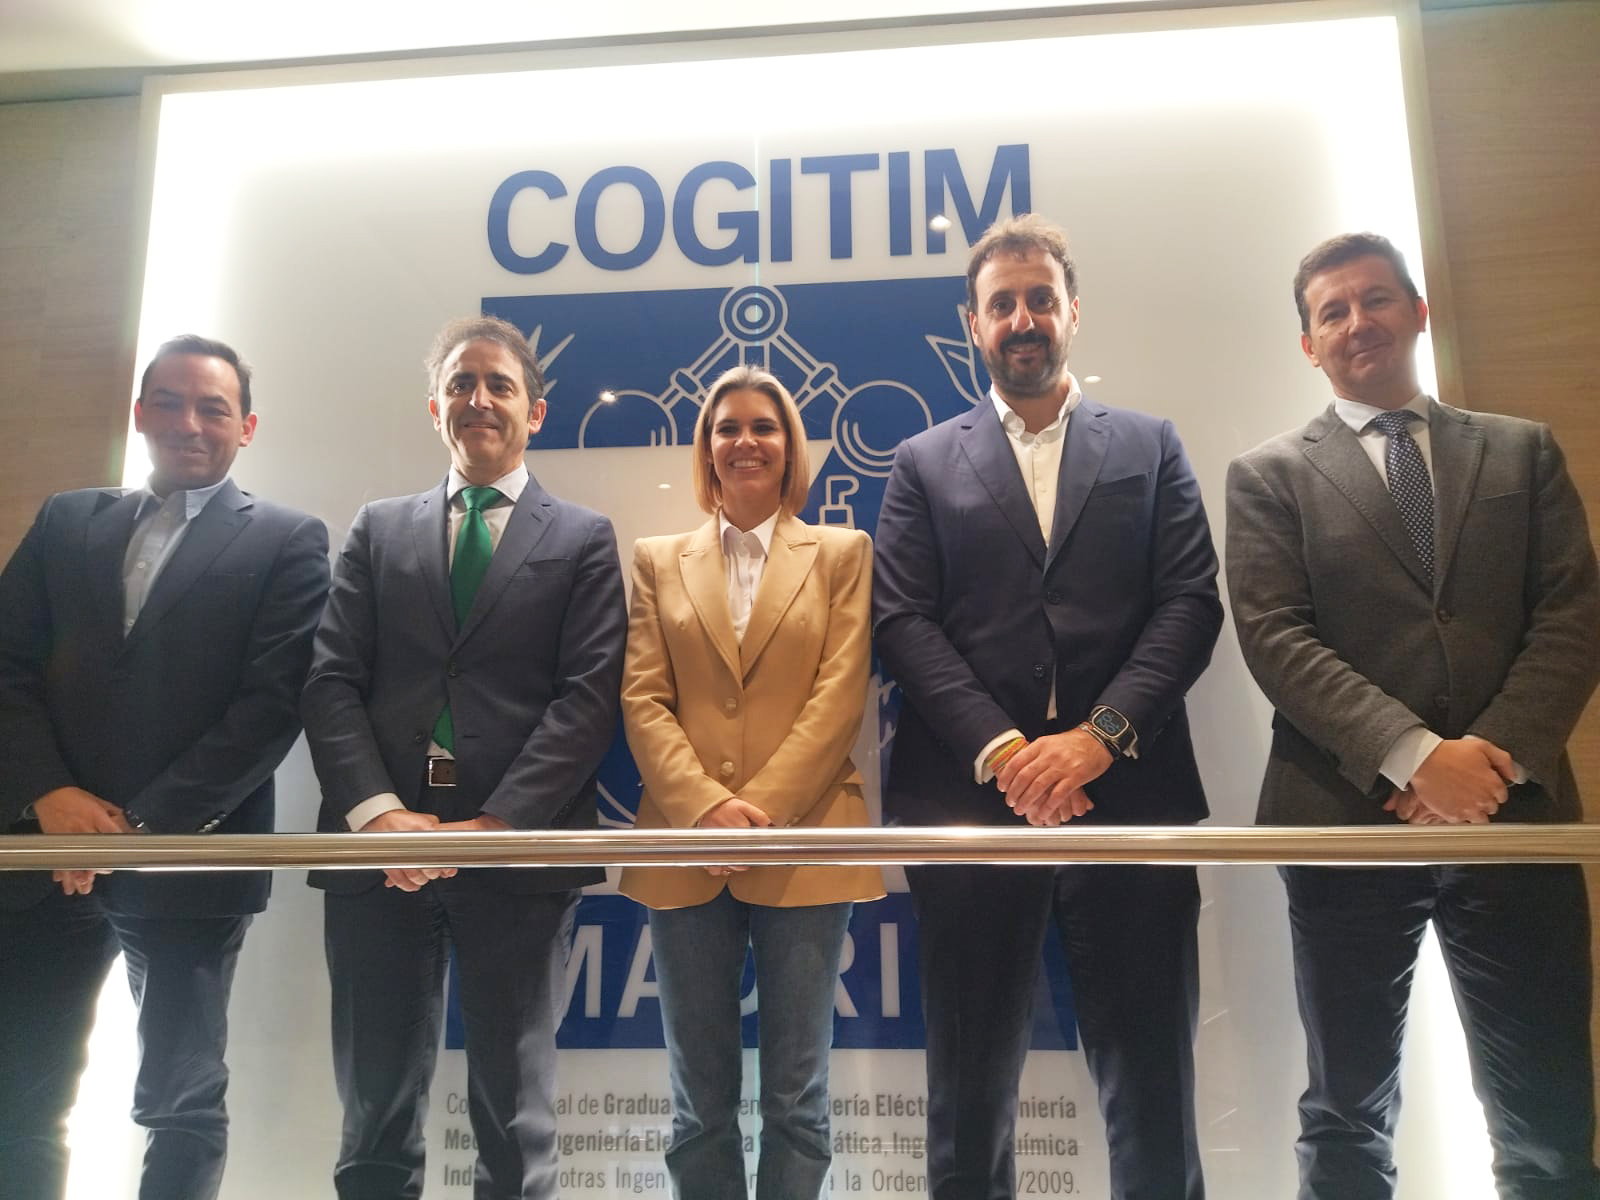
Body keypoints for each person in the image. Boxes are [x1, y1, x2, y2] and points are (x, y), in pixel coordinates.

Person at [1226, 232, 1600, 1200]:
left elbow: (1572, 615)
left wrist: (1491, 758)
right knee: (1346, 1116)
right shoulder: (1267, 476)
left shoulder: (1521, 449)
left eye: (1376, 298)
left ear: (1417, 311)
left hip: (1514, 820)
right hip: (1344, 826)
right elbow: (1275, 639)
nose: (1358, 322)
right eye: (1333, 311)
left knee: (1548, 1117)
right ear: (1308, 344)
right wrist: (1413, 755)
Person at [873, 213, 1222, 1200]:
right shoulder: (921, 462)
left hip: (1131, 801)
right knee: (968, 1097)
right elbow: (901, 621)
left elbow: (1190, 604)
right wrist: (1006, 750)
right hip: (970, 811)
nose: (1021, 319)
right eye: (1001, 304)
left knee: (1153, 1087)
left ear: (1072, 312)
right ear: (972, 324)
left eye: (1039, 299)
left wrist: (1096, 740)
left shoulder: (1150, 446)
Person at [301, 315, 626, 1199]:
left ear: (536, 412)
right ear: (434, 406)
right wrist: (379, 816)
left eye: (499, 385)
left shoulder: (584, 537)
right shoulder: (377, 529)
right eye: (460, 384)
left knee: (515, 1120)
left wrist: (495, 825)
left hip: (516, 857)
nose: (478, 399)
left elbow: (587, 699)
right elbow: (330, 682)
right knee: (373, 1114)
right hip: (381, 858)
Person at [0, 334, 330, 1200]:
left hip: (188, 860)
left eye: (213, 408)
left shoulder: (290, 541)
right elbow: (7, 666)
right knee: (19, 1096)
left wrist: (135, 829)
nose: (190, 422)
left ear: (246, 426)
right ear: (140, 414)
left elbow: (270, 707)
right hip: (41, 858)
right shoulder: (67, 520)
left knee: (179, 1103)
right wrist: (50, 795)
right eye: (172, 403)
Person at [618, 364, 882, 1200]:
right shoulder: (657, 560)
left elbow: (840, 697)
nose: (745, 441)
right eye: (726, 427)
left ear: (790, 446)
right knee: (697, 1103)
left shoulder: (842, 553)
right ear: (707, 449)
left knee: (797, 1098)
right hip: (684, 846)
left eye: (763, 426)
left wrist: (755, 813)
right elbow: (643, 698)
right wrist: (704, 809)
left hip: (805, 843)